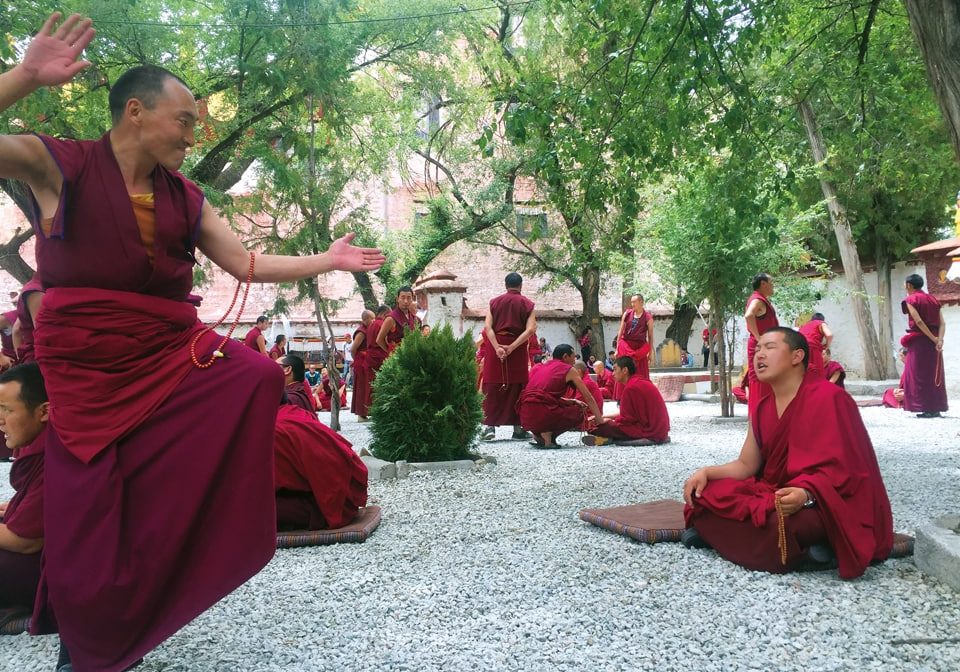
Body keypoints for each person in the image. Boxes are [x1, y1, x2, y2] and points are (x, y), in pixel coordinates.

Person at [0, 16, 386, 671]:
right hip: (86, 372)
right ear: (136, 112)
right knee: (89, 512)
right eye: (183, 120)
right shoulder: (59, 166)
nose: (192, 134)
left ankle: (189, 544)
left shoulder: (185, 199)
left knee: (256, 378)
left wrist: (327, 259)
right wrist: (27, 76)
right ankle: (82, 644)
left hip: (161, 354)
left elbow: (248, 265)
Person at [682, 328, 893, 579]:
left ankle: (719, 534)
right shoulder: (762, 407)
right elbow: (746, 464)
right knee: (704, 494)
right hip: (777, 493)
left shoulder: (830, 398)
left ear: (797, 356)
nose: (759, 355)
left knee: (780, 524)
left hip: (821, 502)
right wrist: (706, 472)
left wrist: (807, 494)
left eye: (770, 347)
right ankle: (806, 550)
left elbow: (851, 471)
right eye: (758, 348)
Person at [273, 401, 367, 532]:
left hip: (327, 501)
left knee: (244, 510)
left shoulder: (270, 429)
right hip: (340, 486)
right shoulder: (294, 412)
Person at [0, 363, 48, 612]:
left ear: (44, 411)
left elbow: (25, 541)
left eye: (6, 409)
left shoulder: (56, 457)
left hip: (46, 575)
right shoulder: (39, 441)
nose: (0, 420)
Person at [480, 273, 537, 441]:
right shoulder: (528, 304)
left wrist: (497, 347)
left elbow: (487, 327)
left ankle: (489, 428)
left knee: (492, 383)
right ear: (521, 286)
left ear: (505, 285)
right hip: (516, 347)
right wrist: (512, 347)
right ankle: (518, 428)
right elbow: (530, 330)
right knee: (518, 385)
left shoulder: (494, 302)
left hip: (495, 345)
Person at [518, 344, 605, 448]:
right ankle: (548, 434)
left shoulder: (542, 366)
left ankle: (539, 434)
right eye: (573, 357)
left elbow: (544, 395)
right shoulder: (569, 370)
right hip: (543, 413)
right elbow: (589, 398)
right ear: (565, 357)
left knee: (556, 405)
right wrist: (602, 426)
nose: (574, 362)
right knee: (579, 410)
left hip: (525, 414)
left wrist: (571, 401)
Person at [583, 356, 670, 445]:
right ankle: (610, 439)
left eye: (615, 369)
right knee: (603, 423)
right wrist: (603, 416)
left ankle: (610, 439)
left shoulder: (631, 388)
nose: (613, 374)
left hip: (650, 431)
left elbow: (627, 420)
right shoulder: (639, 381)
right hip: (660, 429)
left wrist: (607, 421)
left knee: (597, 427)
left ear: (625, 370)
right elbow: (630, 414)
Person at [900, 274, 947, 418]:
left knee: (919, 375)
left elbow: (919, 322)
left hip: (920, 342)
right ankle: (935, 408)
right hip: (934, 342)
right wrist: (939, 340)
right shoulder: (933, 299)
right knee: (933, 373)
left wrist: (933, 339)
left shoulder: (911, 299)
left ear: (909, 285)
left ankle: (925, 407)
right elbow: (943, 323)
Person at [743, 272, 779, 416]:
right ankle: (759, 419)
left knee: (767, 378)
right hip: (761, 347)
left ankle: (765, 418)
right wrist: (759, 338)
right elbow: (749, 315)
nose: (773, 285)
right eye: (771, 282)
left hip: (765, 346)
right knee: (761, 380)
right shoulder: (757, 300)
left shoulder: (761, 299)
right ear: (763, 284)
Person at [615, 295, 655, 390]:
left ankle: (642, 392)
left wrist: (650, 352)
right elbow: (620, 331)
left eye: (634, 302)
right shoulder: (627, 314)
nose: (632, 304)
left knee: (640, 371)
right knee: (624, 369)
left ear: (641, 302)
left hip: (639, 347)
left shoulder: (648, 317)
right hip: (626, 345)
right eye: (631, 302)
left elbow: (650, 336)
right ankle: (622, 395)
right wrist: (617, 348)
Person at [376, 286, 419, 355]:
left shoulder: (415, 318)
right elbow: (379, 340)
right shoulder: (391, 318)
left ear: (412, 299)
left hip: (411, 356)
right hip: (397, 356)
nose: (406, 301)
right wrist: (390, 352)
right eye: (403, 297)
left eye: (408, 298)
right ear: (397, 299)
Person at [349, 310, 376, 420]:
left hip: (367, 361)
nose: (374, 321)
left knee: (367, 387)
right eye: (372, 319)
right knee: (361, 388)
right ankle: (361, 414)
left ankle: (367, 411)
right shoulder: (361, 332)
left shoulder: (369, 329)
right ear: (365, 319)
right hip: (361, 362)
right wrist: (358, 359)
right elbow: (353, 349)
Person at [564, 361, 604, 430]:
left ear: (578, 371)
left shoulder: (586, 383)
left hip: (589, 418)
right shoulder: (579, 381)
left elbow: (576, 404)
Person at [798, 312, 833, 379]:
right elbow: (829, 335)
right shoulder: (821, 323)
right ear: (822, 320)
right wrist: (827, 346)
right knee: (817, 372)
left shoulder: (804, 326)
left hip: (799, 348)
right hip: (812, 347)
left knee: (803, 373)